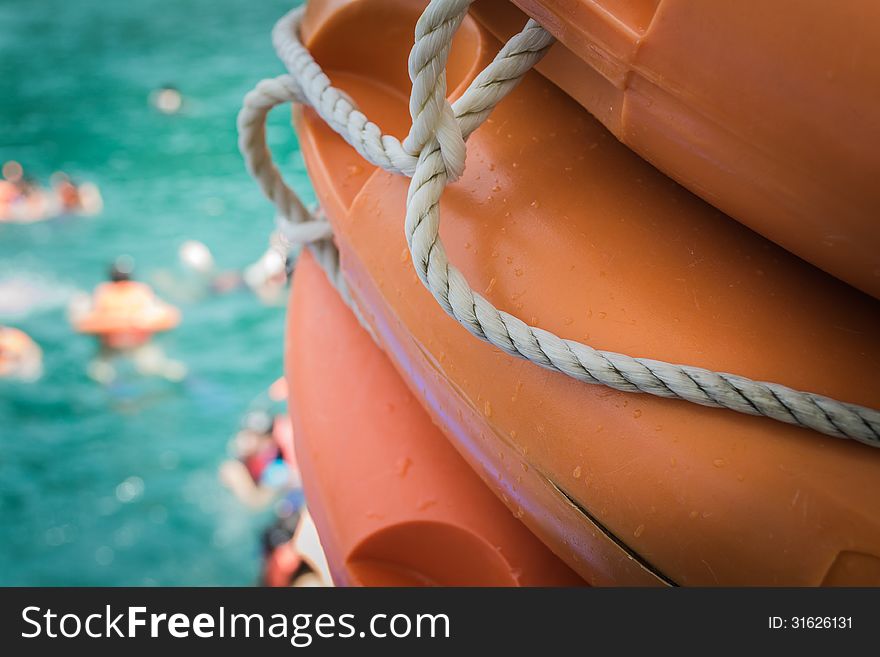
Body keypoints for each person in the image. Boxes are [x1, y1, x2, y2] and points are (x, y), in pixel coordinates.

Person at [72, 256, 185, 383]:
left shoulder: (129, 291)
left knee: (155, 369)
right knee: (101, 373)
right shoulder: (112, 292)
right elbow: (82, 324)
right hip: (119, 347)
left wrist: (129, 320)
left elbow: (170, 316)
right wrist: (129, 320)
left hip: (130, 346)